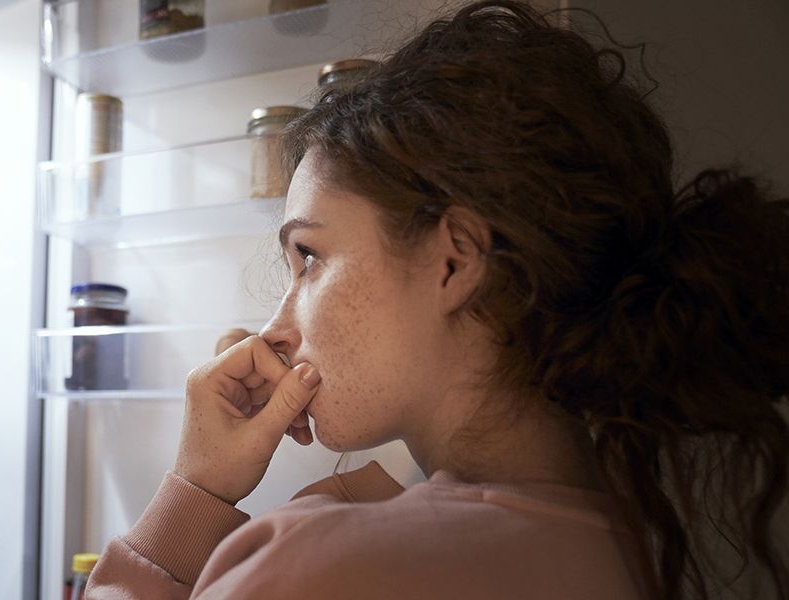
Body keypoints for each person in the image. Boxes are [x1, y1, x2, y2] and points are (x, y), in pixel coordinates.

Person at [86, 2, 789, 598]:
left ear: (456, 260)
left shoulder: (320, 565)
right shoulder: (633, 548)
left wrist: (195, 492)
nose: (275, 329)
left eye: (310, 257)